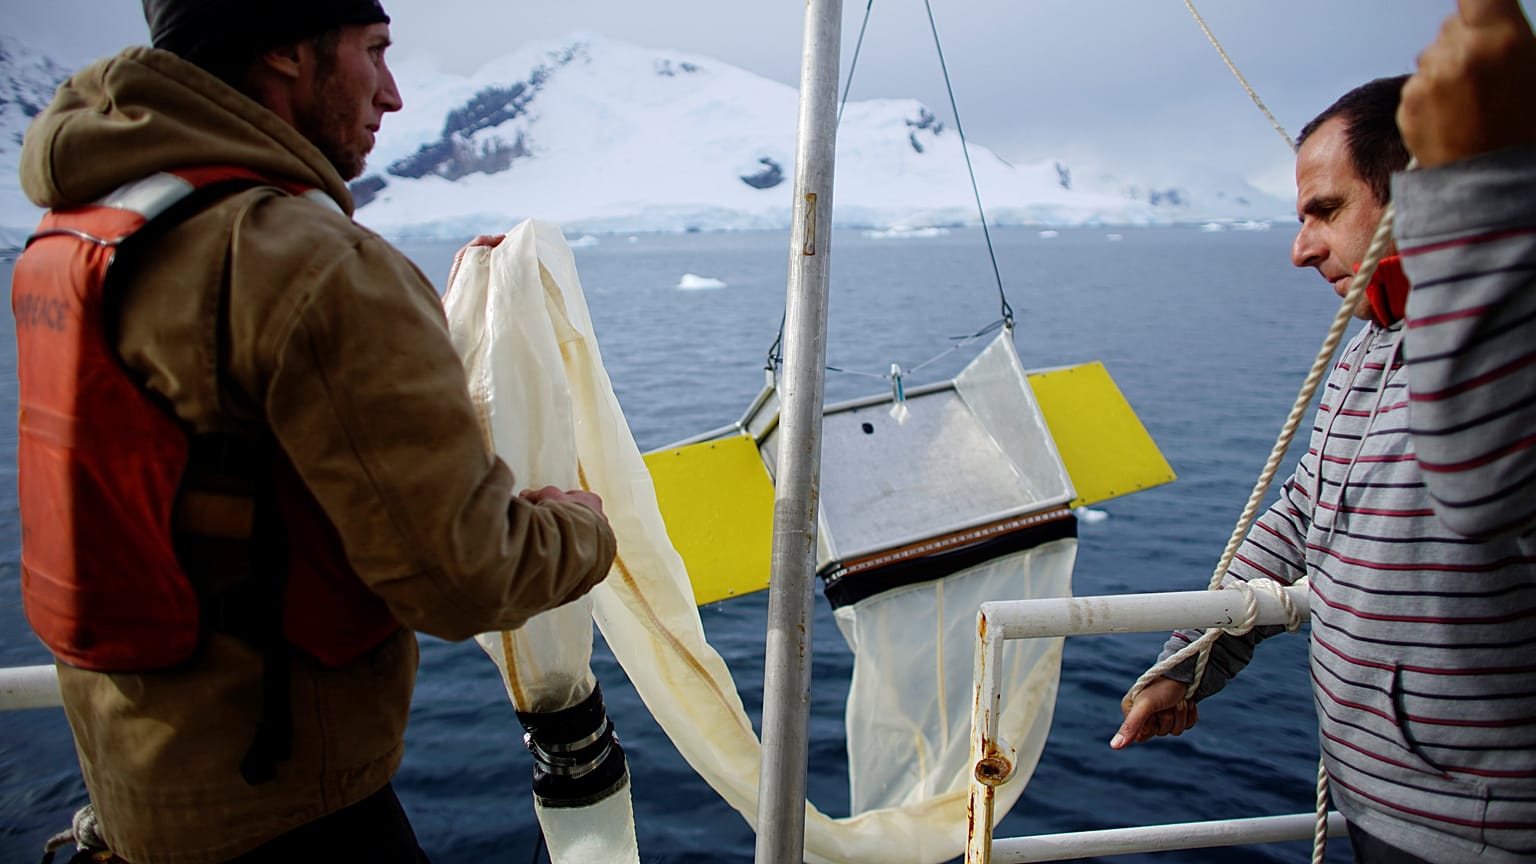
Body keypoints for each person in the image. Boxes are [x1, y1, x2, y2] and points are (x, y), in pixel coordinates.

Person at [12, 1, 618, 862]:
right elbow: (462, 573)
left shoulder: (80, 235)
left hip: (139, 793)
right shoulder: (312, 265)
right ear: (290, 52)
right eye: (374, 51)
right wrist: (583, 525)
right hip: (291, 813)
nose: (394, 93)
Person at [1109, 2, 1536, 858]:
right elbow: (1305, 514)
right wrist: (1191, 661)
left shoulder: (1512, 342)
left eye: (1325, 209)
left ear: (1420, 190)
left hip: (1485, 827)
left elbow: (1480, 475)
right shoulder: (1371, 341)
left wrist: (1477, 177)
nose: (1300, 249)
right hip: (1382, 802)